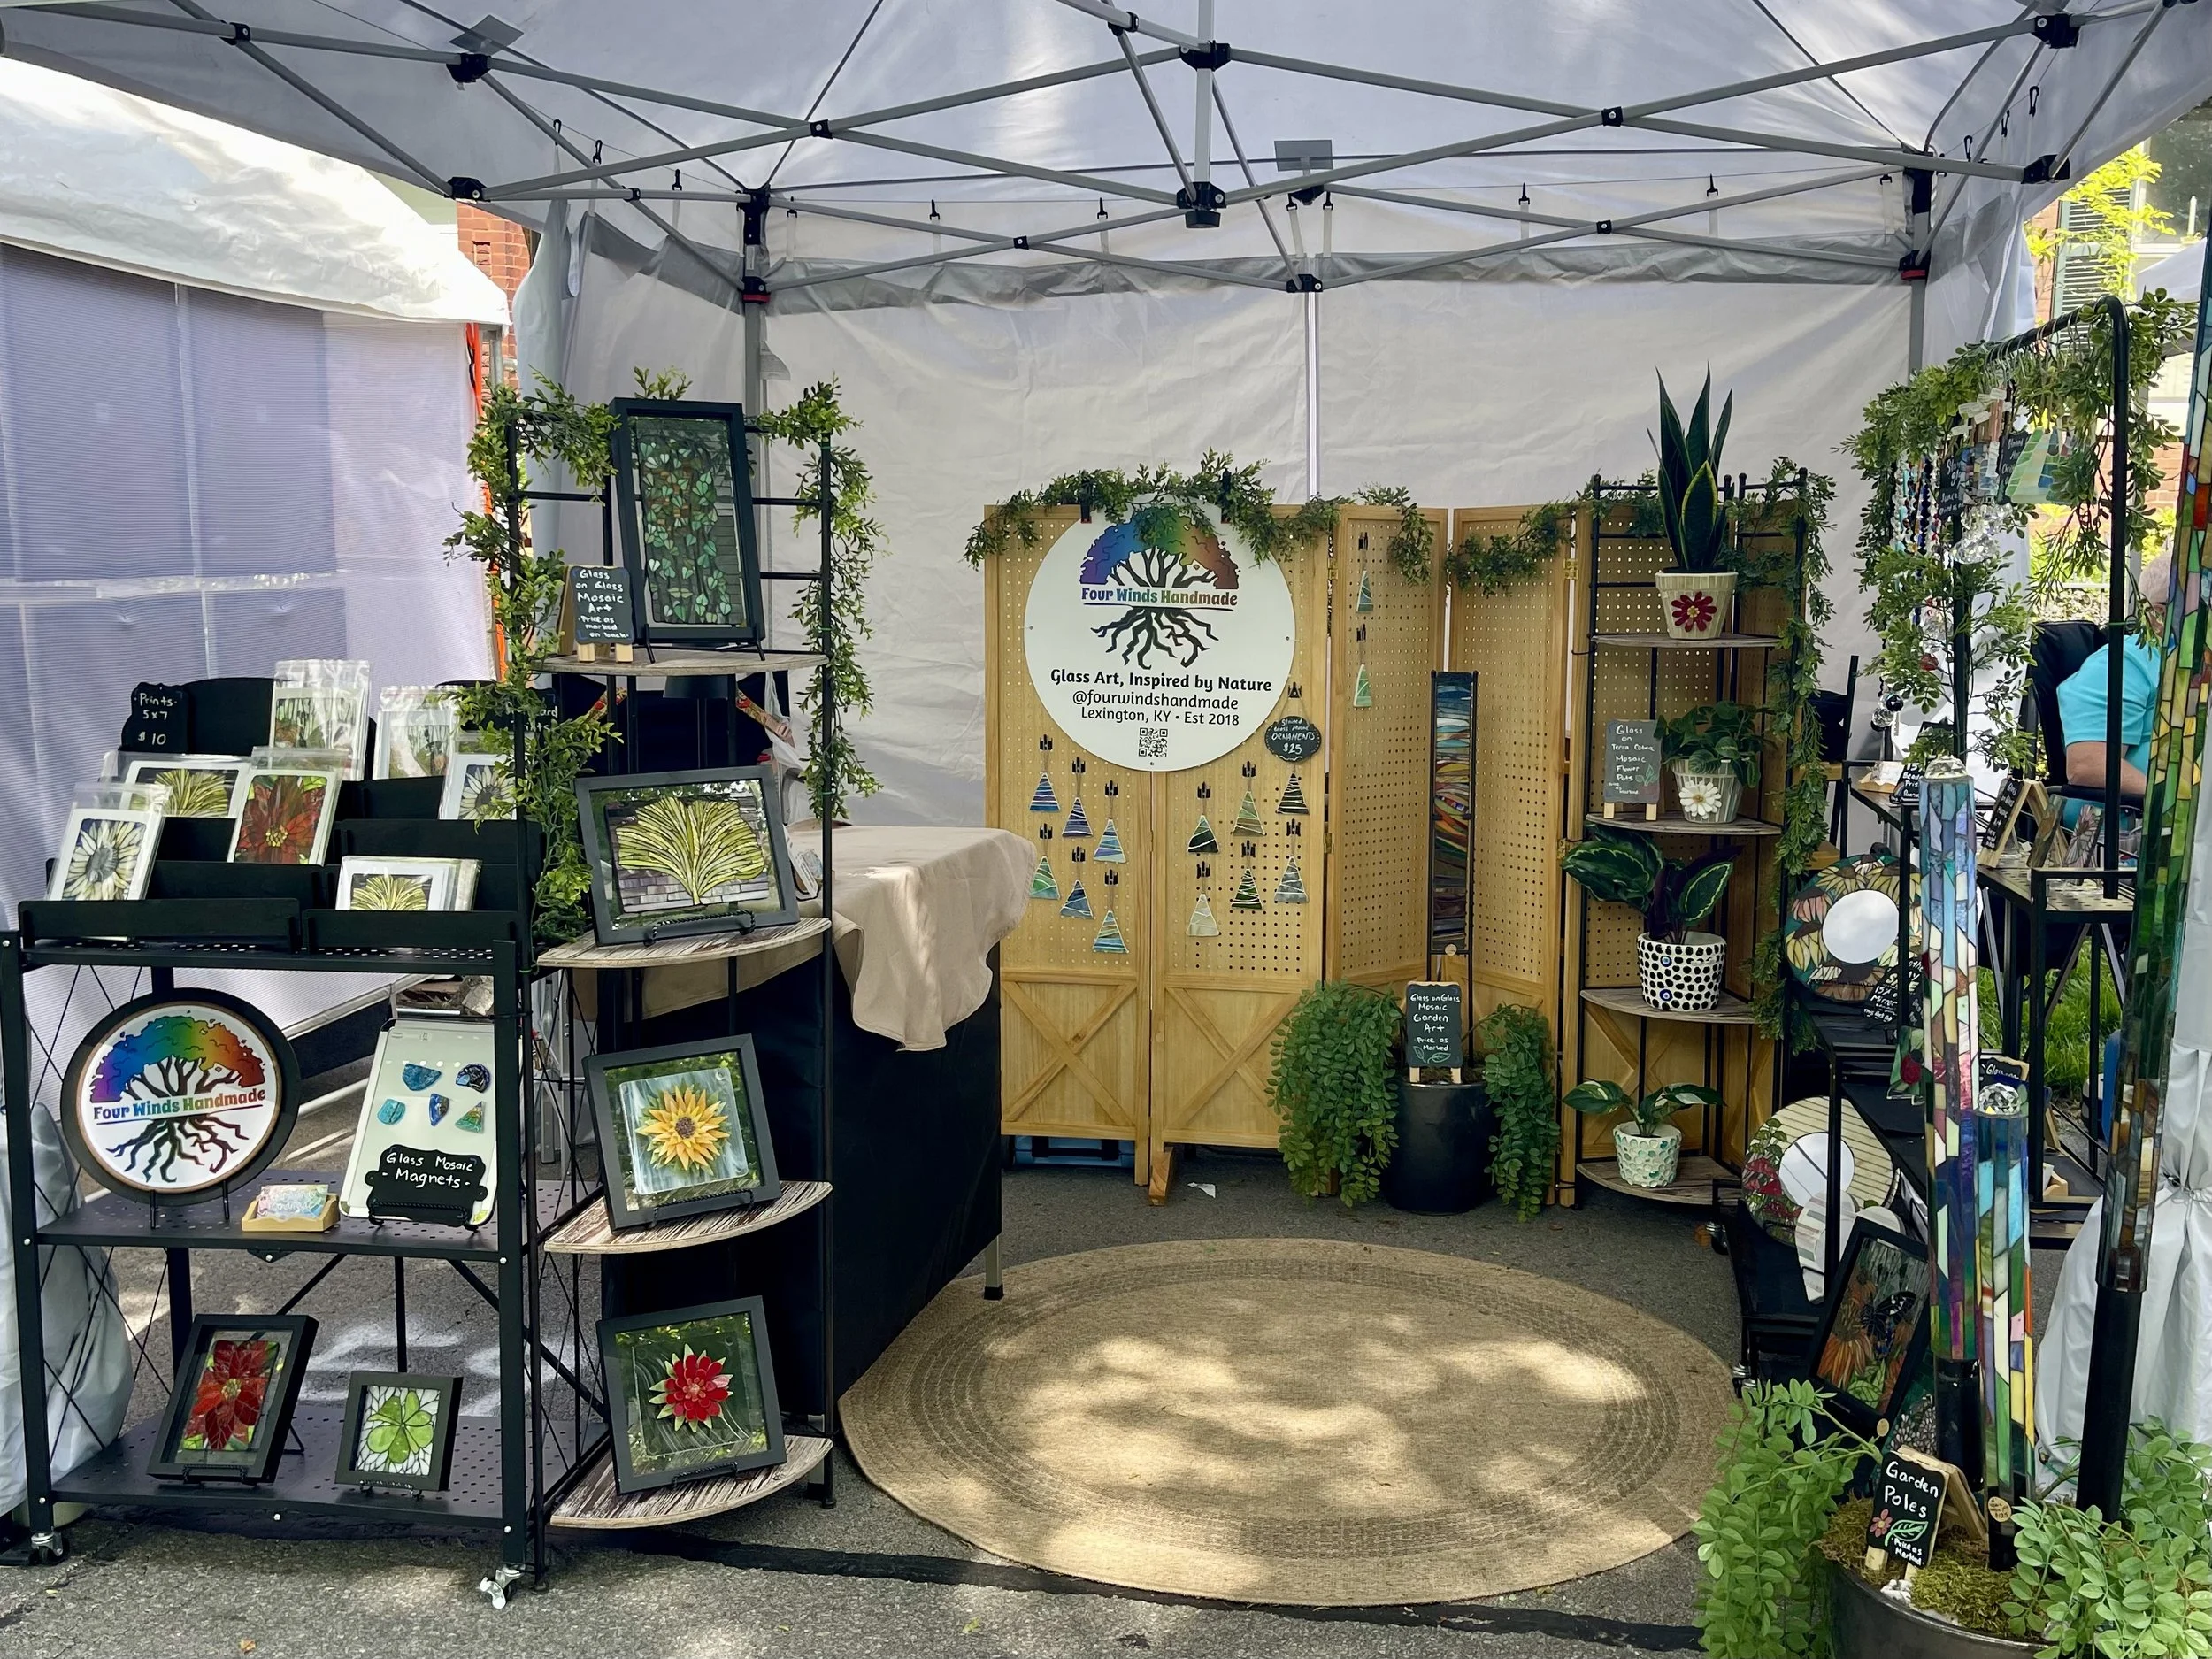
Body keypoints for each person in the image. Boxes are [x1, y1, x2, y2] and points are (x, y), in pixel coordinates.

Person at [2058, 551, 2171, 799]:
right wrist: (2173, 805)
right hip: (2134, 827)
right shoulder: (2125, 663)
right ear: (2158, 615)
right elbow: (2088, 766)